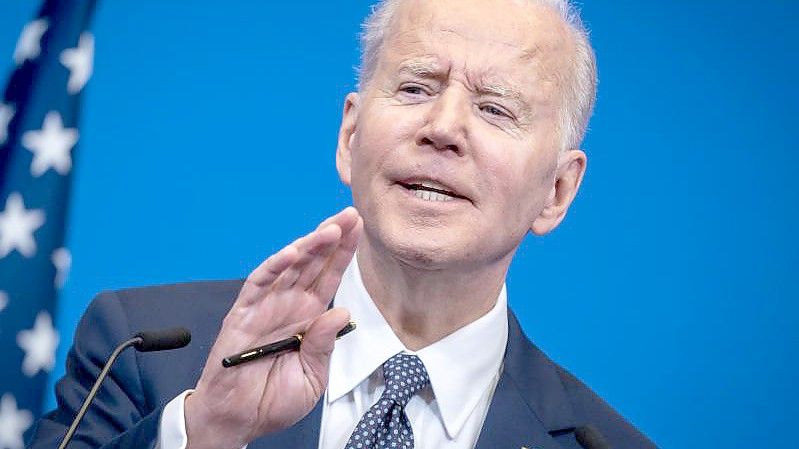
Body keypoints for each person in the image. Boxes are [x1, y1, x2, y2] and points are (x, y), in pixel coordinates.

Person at [30, 0, 658, 448]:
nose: (442, 128)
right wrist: (205, 434)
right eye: (415, 88)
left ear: (556, 190)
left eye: (495, 109)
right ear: (350, 135)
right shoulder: (139, 353)